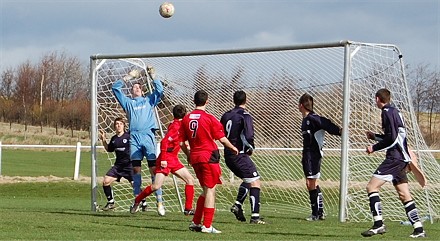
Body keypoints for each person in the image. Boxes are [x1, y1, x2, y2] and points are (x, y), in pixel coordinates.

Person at [361, 88, 426, 238]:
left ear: (378, 99)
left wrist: (374, 147)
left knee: (371, 187)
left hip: (394, 159)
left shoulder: (386, 112)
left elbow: (392, 138)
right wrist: (376, 137)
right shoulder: (395, 111)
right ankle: (419, 229)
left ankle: (379, 225)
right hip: (401, 159)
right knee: (404, 195)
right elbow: (394, 136)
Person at [181, 90, 239, 234]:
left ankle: (195, 222)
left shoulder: (186, 119)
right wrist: (232, 147)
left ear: (194, 101)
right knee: (211, 190)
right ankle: (207, 225)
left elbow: (182, 142)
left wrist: (188, 155)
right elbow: (221, 138)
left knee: (206, 190)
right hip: (208, 157)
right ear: (207, 101)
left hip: (195, 157)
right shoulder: (209, 118)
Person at [112, 66, 165, 215]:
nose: (135, 88)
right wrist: (128, 77)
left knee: (153, 169)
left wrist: (153, 75)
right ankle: (137, 201)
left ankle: (160, 201)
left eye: (138, 87)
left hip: (148, 136)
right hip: (134, 137)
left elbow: (160, 91)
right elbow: (115, 88)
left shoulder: (148, 100)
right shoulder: (128, 103)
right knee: (136, 170)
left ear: (142, 91)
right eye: (134, 86)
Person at [129, 104, 195, 216]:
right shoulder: (175, 127)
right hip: (166, 159)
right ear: (185, 115)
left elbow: (181, 143)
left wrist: (188, 155)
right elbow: (164, 142)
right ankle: (137, 201)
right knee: (156, 186)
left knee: (190, 179)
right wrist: (163, 159)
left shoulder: (180, 126)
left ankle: (188, 208)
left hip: (173, 159)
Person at [220, 90, 266, 224]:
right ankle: (255, 217)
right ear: (246, 100)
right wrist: (250, 147)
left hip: (228, 154)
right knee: (255, 181)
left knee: (248, 179)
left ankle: (238, 205)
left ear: (233, 100)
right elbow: (249, 135)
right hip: (238, 154)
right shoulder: (245, 115)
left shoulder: (226, 115)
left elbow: (221, 133)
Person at [298, 93, 341, 221]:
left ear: (301, 105)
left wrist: (339, 131)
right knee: (313, 182)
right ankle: (320, 212)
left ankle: (315, 213)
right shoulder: (306, 119)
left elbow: (326, 123)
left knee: (310, 183)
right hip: (308, 155)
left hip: (313, 155)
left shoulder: (313, 118)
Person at [99, 117, 132, 211]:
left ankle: (143, 203)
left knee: (135, 185)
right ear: (114, 126)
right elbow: (109, 149)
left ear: (124, 126)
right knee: (106, 181)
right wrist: (104, 139)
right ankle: (111, 203)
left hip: (129, 165)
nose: (119, 126)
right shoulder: (114, 139)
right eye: (117, 124)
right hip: (118, 166)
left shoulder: (129, 136)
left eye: (120, 124)